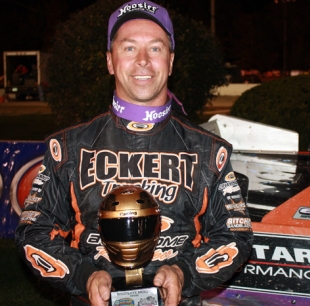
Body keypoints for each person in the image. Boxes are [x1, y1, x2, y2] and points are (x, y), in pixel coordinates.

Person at [15, 1, 254, 305]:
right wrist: (84, 276)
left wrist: (183, 274)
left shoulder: (208, 151)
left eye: (155, 48)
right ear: (110, 61)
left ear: (170, 61)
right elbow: (33, 232)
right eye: (129, 48)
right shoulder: (68, 148)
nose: (143, 61)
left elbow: (236, 235)